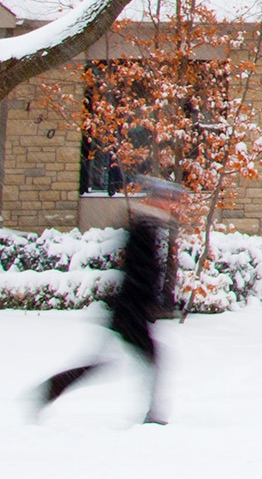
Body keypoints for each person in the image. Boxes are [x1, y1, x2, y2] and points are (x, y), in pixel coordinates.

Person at [36, 181, 179, 425]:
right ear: (155, 199)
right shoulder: (144, 227)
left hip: (130, 310)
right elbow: (141, 271)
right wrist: (153, 301)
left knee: (105, 362)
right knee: (151, 359)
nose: (169, 204)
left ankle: (52, 388)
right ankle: (153, 415)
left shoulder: (149, 225)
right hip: (131, 310)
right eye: (166, 198)